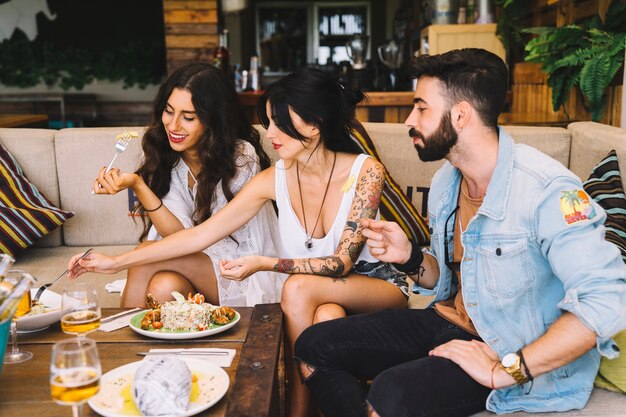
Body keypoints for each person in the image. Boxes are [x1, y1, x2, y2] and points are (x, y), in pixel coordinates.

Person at [294, 48, 626, 417]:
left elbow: (606, 300)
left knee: (392, 392)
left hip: (511, 350)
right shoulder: (445, 183)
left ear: (461, 114)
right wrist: (411, 258)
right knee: (313, 346)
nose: (409, 120)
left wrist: (505, 370)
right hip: (450, 321)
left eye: (421, 108)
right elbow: (454, 279)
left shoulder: (546, 190)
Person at [68, 67, 410, 417]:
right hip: (317, 293)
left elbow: (342, 264)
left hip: (373, 284)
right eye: (268, 121)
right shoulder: (273, 178)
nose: (270, 132)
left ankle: (294, 412)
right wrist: (115, 261)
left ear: (315, 123)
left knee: (298, 289)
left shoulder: (365, 170)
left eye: (279, 122)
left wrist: (263, 263)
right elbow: (199, 235)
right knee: (325, 315)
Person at [90, 63, 286, 307]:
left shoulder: (240, 157)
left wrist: (117, 261)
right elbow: (179, 236)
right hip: (198, 260)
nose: (173, 126)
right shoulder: (169, 156)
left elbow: (200, 238)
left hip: (245, 271)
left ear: (213, 120)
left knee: (145, 256)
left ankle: (115, 342)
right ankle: (146, 345)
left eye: (188, 117)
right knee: (164, 287)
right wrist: (138, 185)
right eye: (169, 111)